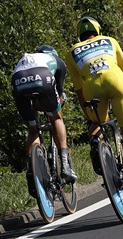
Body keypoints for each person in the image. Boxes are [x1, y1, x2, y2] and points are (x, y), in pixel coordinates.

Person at [65, 17, 123, 205]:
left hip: (92, 88)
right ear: (98, 31)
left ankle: (96, 143)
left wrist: (89, 116)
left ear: (79, 36)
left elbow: (79, 91)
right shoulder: (110, 41)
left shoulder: (72, 52)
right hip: (117, 82)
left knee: (96, 125)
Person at [11, 45, 78, 198]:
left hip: (18, 79)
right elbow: (59, 96)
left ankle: (31, 168)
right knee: (56, 118)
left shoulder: (29, 58)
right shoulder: (57, 61)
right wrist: (58, 103)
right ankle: (65, 163)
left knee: (33, 130)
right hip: (42, 77)